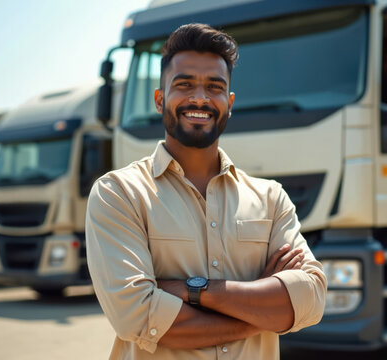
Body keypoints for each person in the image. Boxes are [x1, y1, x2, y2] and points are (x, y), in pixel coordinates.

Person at [85, 23, 327, 359]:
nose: (199, 98)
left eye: (214, 87)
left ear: (229, 103)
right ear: (159, 99)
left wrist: (191, 291)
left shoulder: (271, 199)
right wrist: (261, 311)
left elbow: (311, 299)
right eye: (184, 85)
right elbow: (137, 318)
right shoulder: (119, 194)